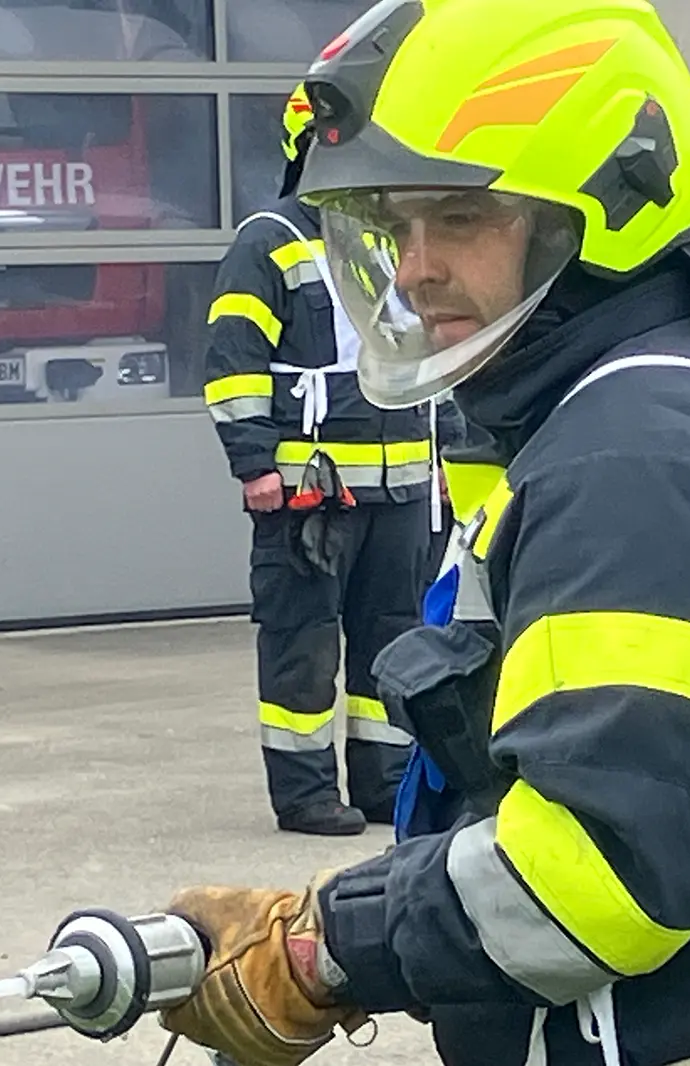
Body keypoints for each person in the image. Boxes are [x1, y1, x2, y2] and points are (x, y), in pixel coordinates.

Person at [155, 0, 690, 1062]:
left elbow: (597, 877)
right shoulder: (634, 411)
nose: (416, 266)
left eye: (462, 218)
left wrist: (321, 952)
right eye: (393, 224)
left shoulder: (643, 455)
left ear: (608, 209)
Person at [201, 85, 441, 837]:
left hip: (400, 486)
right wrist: (255, 465)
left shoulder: (389, 241)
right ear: (308, 148)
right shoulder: (267, 241)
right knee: (302, 644)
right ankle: (304, 792)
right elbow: (231, 365)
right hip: (309, 492)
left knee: (391, 642)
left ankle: (383, 782)